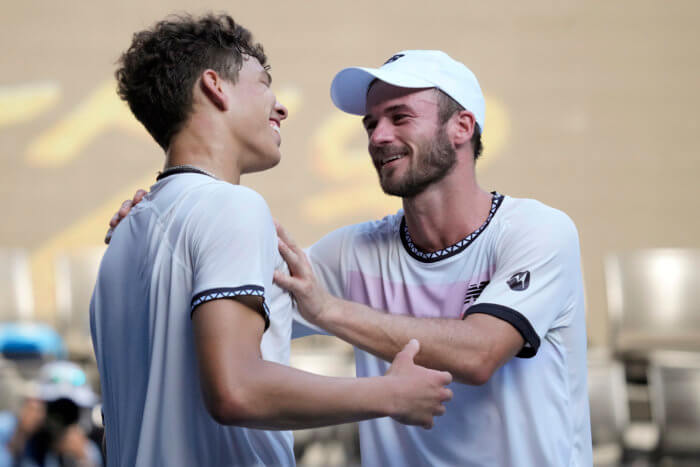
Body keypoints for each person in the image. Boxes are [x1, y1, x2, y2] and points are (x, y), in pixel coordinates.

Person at [109, 49, 592, 465]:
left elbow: (480, 353)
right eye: (371, 123)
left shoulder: (538, 231)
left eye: (399, 117)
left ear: (462, 127)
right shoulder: (351, 252)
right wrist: (159, 221)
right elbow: (220, 298)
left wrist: (332, 311)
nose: (378, 136)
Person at [91, 15, 452, 467]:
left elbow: (117, 430)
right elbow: (235, 391)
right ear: (214, 87)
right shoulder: (232, 207)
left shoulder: (121, 240)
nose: (281, 108)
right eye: (263, 83)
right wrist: (389, 394)